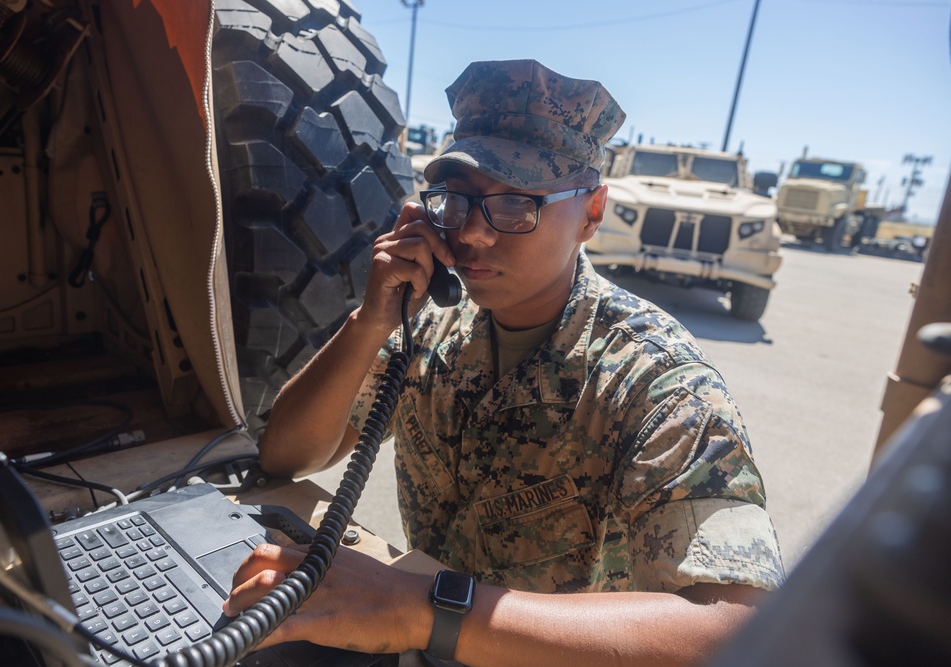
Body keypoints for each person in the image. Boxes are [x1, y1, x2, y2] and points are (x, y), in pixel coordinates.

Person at [224, 59, 785, 666]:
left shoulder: (655, 381)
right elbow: (287, 456)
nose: (473, 234)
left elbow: (735, 631)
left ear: (591, 213)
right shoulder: (430, 324)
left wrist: (426, 609)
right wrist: (370, 323)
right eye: (456, 201)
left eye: (516, 205)